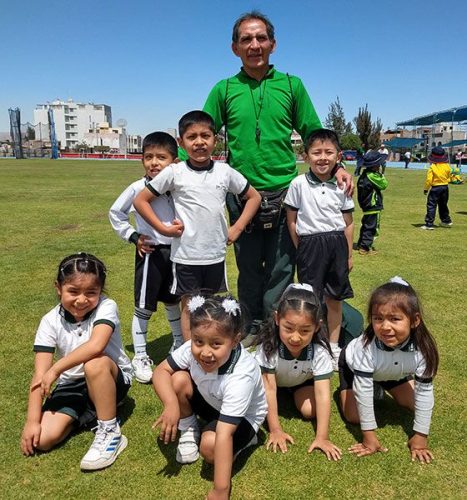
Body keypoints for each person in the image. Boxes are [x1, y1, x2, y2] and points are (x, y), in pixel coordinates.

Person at [203, 11, 354, 346]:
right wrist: (174, 171)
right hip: (242, 193)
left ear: (273, 44)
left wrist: (339, 164)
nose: (254, 45)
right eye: (246, 39)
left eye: (260, 38)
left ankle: (274, 327)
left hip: (286, 193)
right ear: (234, 48)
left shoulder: (291, 85)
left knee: (282, 268)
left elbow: (315, 133)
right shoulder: (223, 89)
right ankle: (250, 324)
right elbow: (201, 132)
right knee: (248, 266)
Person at [133, 111, 261, 341]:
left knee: (209, 305)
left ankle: (206, 347)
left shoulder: (224, 171)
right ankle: (187, 353)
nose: (199, 142)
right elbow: (140, 200)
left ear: (215, 139)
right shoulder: (175, 172)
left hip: (214, 254)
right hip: (186, 255)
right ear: (181, 143)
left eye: (205, 135)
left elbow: (254, 197)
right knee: (190, 306)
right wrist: (163, 230)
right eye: (192, 137)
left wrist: (237, 228)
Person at [20, 253, 133, 471]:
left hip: (109, 376)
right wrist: (32, 421)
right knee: (42, 440)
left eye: (91, 293)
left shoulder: (106, 306)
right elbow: (39, 374)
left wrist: (56, 369)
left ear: (101, 291)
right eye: (73, 291)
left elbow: (96, 346)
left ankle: (110, 432)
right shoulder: (49, 321)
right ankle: (91, 414)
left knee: (94, 363)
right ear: (58, 288)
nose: (82, 300)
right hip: (71, 383)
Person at [152, 295, 267, 499]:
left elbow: (224, 434)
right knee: (177, 379)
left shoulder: (241, 376)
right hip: (213, 400)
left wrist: (221, 490)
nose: (205, 352)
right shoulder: (191, 348)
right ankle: (188, 426)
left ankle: (249, 439)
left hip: (243, 417)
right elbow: (160, 371)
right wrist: (171, 405)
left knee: (209, 448)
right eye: (199, 341)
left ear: (235, 340)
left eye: (216, 344)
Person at [339, 276, 439, 463]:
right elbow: (363, 390)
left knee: (416, 405)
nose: (385, 327)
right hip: (355, 370)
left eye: (395, 319)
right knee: (354, 416)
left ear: (415, 320)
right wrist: (369, 438)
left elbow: (425, 393)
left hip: (393, 372)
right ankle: (368, 386)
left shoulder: (424, 349)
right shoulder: (364, 348)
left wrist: (420, 438)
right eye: (378, 319)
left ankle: (381, 385)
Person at [109, 132, 182, 383]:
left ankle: (179, 347)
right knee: (144, 307)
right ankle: (140, 356)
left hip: (178, 253)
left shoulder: (180, 186)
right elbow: (115, 213)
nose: (154, 162)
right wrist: (134, 237)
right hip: (151, 254)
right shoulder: (137, 188)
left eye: (161, 157)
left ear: (174, 160)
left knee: (174, 302)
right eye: (148, 157)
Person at [284, 129, 354, 370]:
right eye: (316, 153)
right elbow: (291, 219)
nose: (322, 158)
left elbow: (349, 222)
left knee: (335, 298)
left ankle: (333, 348)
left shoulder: (342, 184)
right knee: (311, 299)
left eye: (328, 152)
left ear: (338, 156)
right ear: (306, 156)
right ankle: (313, 344)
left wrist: (349, 254)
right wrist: (300, 247)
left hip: (336, 244)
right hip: (309, 245)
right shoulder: (298, 184)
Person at [254, 283, 342, 460]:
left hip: (300, 382)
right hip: (270, 384)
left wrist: (322, 437)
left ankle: (290, 394)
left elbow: (323, 394)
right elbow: (269, 389)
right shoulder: (268, 349)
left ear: (317, 326)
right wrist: (276, 430)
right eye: (288, 328)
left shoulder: (320, 353)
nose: (295, 337)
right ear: (277, 319)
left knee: (311, 411)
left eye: (304, 331)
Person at [356, 151, 388, 254]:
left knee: (366, 225)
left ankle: (361, 243)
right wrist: (381, 174)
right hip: (373, 205)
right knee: (372, 227)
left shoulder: (364, 175)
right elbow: (384, 185)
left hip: (366, 205)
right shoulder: (372, 176)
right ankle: (365, 248)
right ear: (375, 165)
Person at [421, 146, 453, 230]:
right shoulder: (447, 166)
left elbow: (429, 180)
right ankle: (446, 221)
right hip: (445, 187)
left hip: (435, 188)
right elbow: (449, 177)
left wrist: (426, 189)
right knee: (443, 204)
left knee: (431, 205)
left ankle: (429, 224)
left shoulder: (432, 167)